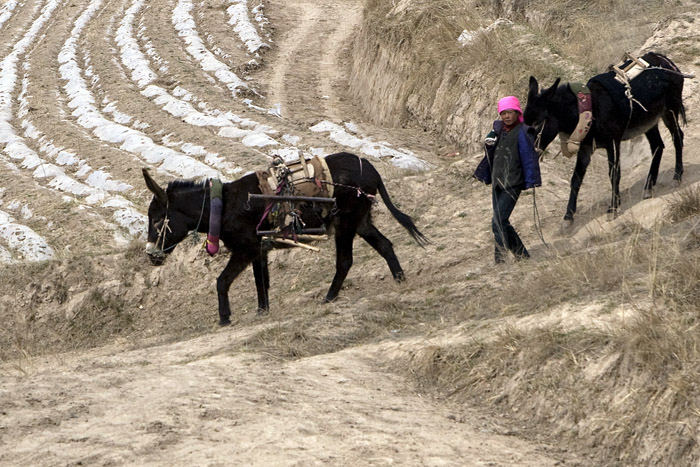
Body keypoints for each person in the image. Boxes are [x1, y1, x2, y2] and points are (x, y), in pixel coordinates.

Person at [473, 96, 541, 264]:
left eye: (510, 112)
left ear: (517, 113)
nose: (506, 116)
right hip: (497, 182)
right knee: (502, 222)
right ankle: (522, 256)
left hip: (513, 183)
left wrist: (531, 179)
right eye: (503, 113)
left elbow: (528, 158)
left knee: (498, 222)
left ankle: (500, 261)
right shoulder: (498, 131)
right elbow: (490, 154)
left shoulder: (523, 132)